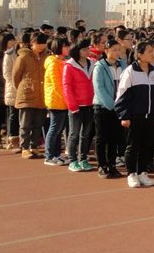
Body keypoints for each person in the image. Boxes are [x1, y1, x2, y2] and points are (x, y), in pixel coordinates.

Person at [115, 39, 154, 188]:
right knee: (133, 146)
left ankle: (142, 172)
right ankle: (131, 174)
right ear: (139, 54)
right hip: (135, 117)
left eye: (153, 51)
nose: (153, 54)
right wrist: (124, 115)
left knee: (147, 145)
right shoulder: (130, 71)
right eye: (149, 51)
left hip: (151, 116)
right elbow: (121, 95)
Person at [91, 38, 124, 178]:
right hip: (103, 107)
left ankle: (112, 165)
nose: (117, 52)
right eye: (114, 50)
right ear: (106, 51)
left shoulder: (123, 65)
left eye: (118, 50)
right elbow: (99, 88)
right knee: (102, 137)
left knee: (114, 138)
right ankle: (102, 165)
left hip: (118, 107)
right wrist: (112, 105)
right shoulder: (100, 66)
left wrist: (121, 105)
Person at [12, 32, 48, 159]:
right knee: (25, 124)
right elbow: (15, 76)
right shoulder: (23, 57)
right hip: (26, 94)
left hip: (42, 94)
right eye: (39, 43)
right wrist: (24, 87)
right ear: (32, 43)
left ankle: (34, 146)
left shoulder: (46, 57)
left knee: (38, 123)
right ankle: (25, 147)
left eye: (44, 44)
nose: (42, 46)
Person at [63, 39, 96, 172]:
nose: (87, 51)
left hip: (90, 104)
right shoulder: (69, 66)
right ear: (77, 51)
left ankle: (83, 159)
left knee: (86, 134)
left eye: (88, 48)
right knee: (74, 134)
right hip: (76, 105)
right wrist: (72, 105)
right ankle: (72, 160)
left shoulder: (92, 63)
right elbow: (67, 86)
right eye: (84, 49)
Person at [43, 37, 71, 166]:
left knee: (58, 130)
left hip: (62, 101)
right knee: (54, 129)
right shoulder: (53, 63)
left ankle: (56, 154)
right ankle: (49, 156)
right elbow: (57, 85)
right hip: (56, 101)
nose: (68, 48)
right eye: (65, 46)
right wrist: (67, 99)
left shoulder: (62, 62)